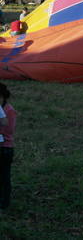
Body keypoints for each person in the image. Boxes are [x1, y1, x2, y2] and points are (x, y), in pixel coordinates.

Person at [0, 83, 15, 212]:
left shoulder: (8, 110)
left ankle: (5, 203)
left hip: (4, 147)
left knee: (4, 175)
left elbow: (8, 130)